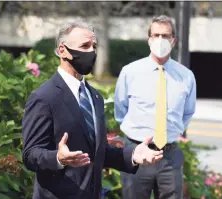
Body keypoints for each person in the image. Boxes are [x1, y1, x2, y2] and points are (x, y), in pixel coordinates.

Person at [22, 21, 163, 199]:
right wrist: (58, 157)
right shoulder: (44, 97)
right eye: (85, 46)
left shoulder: (94, 97)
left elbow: (98, 151)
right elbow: (30, 154)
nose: (91, 52)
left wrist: (133, 155)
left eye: (94, 46)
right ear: (62, 50)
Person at [114, 15, 196, 199]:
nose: (161, 40)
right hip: (137, 151)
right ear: (149, 39)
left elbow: (188, 112)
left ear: (173, 41)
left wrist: (172, 131)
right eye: (156, 35)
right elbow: (121, 110)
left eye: (165, 36)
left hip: (169, 155)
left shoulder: (186, 76)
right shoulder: (130, 72)